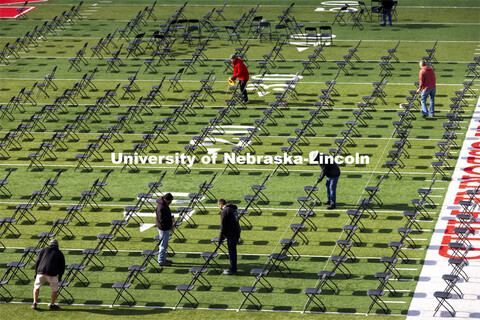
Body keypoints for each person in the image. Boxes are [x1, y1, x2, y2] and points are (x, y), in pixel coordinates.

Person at [32, 239, 65, 310]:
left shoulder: (43, 250)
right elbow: (62, 266)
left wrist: (36, 272)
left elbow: (37, 261)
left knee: (36, 287)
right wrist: (60, 276)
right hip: (52, 274)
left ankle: (34, 302)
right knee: (55, 290)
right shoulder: (59, 253)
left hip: (41, 272)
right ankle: (52, 304)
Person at [218, 199, 241, 275]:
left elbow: (223, 226)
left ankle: (233, 269)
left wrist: (221, 237)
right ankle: (233, 267)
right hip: (236, 231)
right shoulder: (232, 209)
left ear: (221, 205)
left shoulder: (225, 211)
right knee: (233, 251)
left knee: (232, 252)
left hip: (232, 233)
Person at [156, 193, 174, 266]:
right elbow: (162, 220)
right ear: (166, 200)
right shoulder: (161, 207)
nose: (171, 202)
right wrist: (170, 220)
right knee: (163, 245)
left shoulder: (163, 205)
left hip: (164, 227)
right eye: (170, 200)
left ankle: (163, 259)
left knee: (164, 244)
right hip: (164, 228)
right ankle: (161, 261)